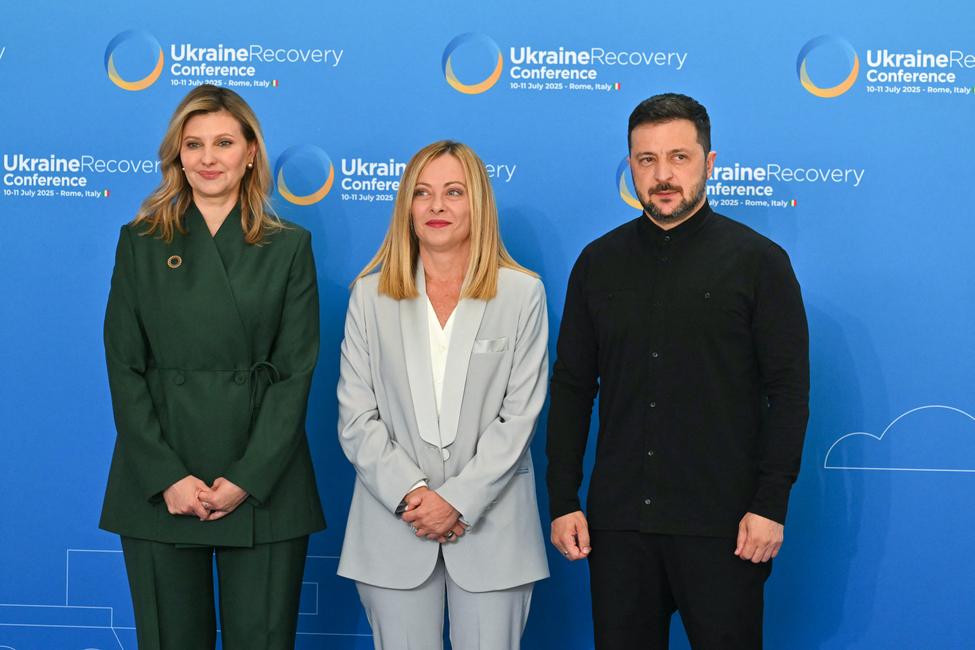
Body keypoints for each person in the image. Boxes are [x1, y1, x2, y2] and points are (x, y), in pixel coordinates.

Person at [546, 93, 809, 649]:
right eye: (646, 160)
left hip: (726, 528)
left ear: (709, 163)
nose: (662, 175)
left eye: (679, 157)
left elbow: (787, 393)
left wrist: (769, 505)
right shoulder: (597, 263)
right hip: (618, 530)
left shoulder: (760, 262)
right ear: (631, 167)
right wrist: (564, 498)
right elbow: (572, 388)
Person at [100, 84, 325, 650]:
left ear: (251, 152)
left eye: (223, 142)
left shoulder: (289, 246)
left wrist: (248, 478)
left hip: (264, 485)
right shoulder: (140, 243)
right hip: (160, 484)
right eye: (193, 144)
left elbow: (296, 372)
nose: (207, 158)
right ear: (177, 153)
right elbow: (125, 367)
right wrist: (167, 477)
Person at [336, 140, 549, 649]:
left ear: (478, 204)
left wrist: (455, 501)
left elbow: (519, 417)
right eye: (423, 193)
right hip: (393, 530)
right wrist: (415, 497)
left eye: (454, 192)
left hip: (494, 531)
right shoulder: (369, 296)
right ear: (406, 207)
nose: (436, 206)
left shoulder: (522, 294)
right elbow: (356, 418)